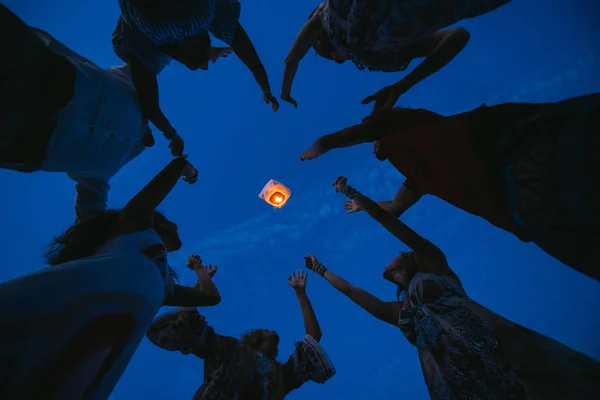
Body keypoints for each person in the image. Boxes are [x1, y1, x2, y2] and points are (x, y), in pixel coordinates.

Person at [302, 176, 600, 399]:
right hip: (454, 377)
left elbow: (387, 218)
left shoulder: (434, 266)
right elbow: (352, 292)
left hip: (491, 343)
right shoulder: (401, 311)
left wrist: (354, 193)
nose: (388, 259)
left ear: (407, 260)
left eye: (395, 255)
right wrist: (320, 270)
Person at [300, 93, 600, 281]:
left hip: (506, 153)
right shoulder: (420, 176)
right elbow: (395, 208)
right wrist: (355, 197)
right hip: (513, 202)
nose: (372, 146)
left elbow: (357, 132)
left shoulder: (399, 128)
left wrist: (320, 146)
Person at [0, 156, 222, 400]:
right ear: (156, 225)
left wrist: (200, 270)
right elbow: (161, 183)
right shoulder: (133, 231)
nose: (177, 228)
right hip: (49, 312)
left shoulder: (161, 283)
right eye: (172, 224)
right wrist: (185, 169)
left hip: (89, 360)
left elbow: (210, 297)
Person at [0, 4, 171, 221]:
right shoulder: (133, 86)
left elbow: (90, 210)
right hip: (46, 76)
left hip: (26, 143)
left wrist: (91, 236)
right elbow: (150, 57)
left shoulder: (105, 171)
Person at [112, 0, 280, 156]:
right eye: (203, 60)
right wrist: (265, 89)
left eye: (197, 64)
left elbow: (150, 106)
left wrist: (172, 136)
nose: (203, 66)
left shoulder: (148, 48)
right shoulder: (203, 18)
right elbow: (251, 58)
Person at [281, 0, 511, 112]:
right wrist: (283, 92)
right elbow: (291, 59)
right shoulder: (376, 51)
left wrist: (403, 85)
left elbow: (457, 36)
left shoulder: (333, 18)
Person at [146, 269, 336, 399]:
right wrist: (201, 277)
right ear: (255, 337)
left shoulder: (282, 376)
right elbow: (186, 323)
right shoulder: (230, 349)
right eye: (267, 330)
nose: (273, 331)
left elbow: (313, 338)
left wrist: (301, 294)